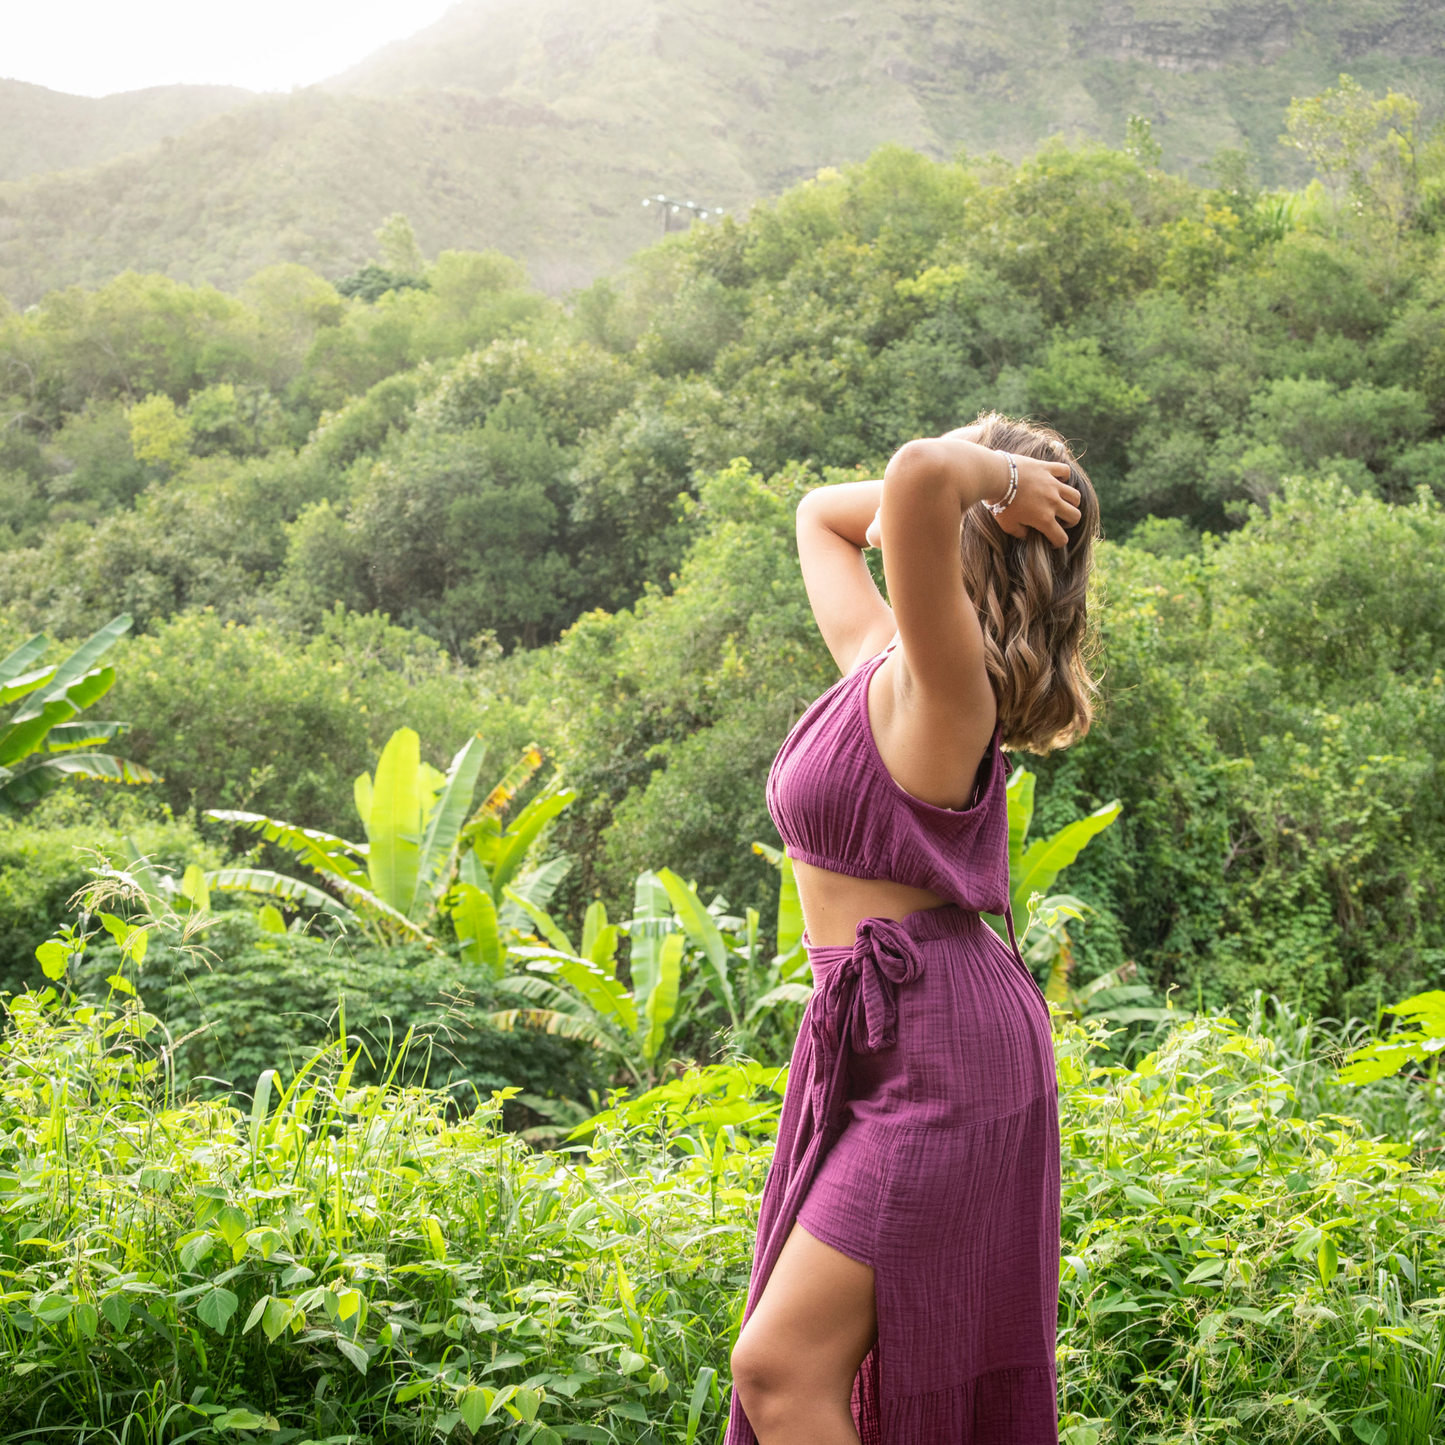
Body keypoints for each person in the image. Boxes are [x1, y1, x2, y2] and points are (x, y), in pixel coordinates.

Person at [725, 413, 1100, 1445]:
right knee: (788, 1363)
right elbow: (820, 515)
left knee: (780, 1365)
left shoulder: (949, 690)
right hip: (885, 1029)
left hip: (944, 1043)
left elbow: (919, 471)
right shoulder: (879, 657)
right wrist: (992, 483)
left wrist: (1001, 475)